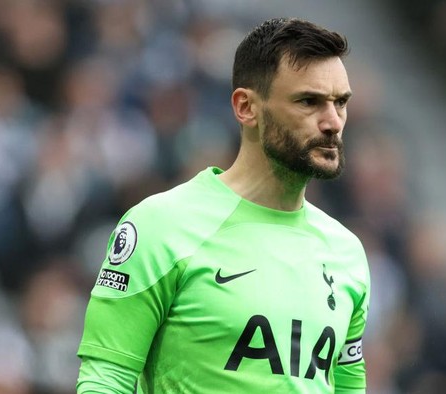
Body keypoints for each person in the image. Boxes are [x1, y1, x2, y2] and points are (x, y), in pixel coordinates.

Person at [76, 17, 371, 393]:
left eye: (340, 103)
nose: (332, 122)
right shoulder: (160, 226)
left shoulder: (346, 251)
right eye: (308, 101)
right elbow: (104, 381)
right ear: (246, 107)